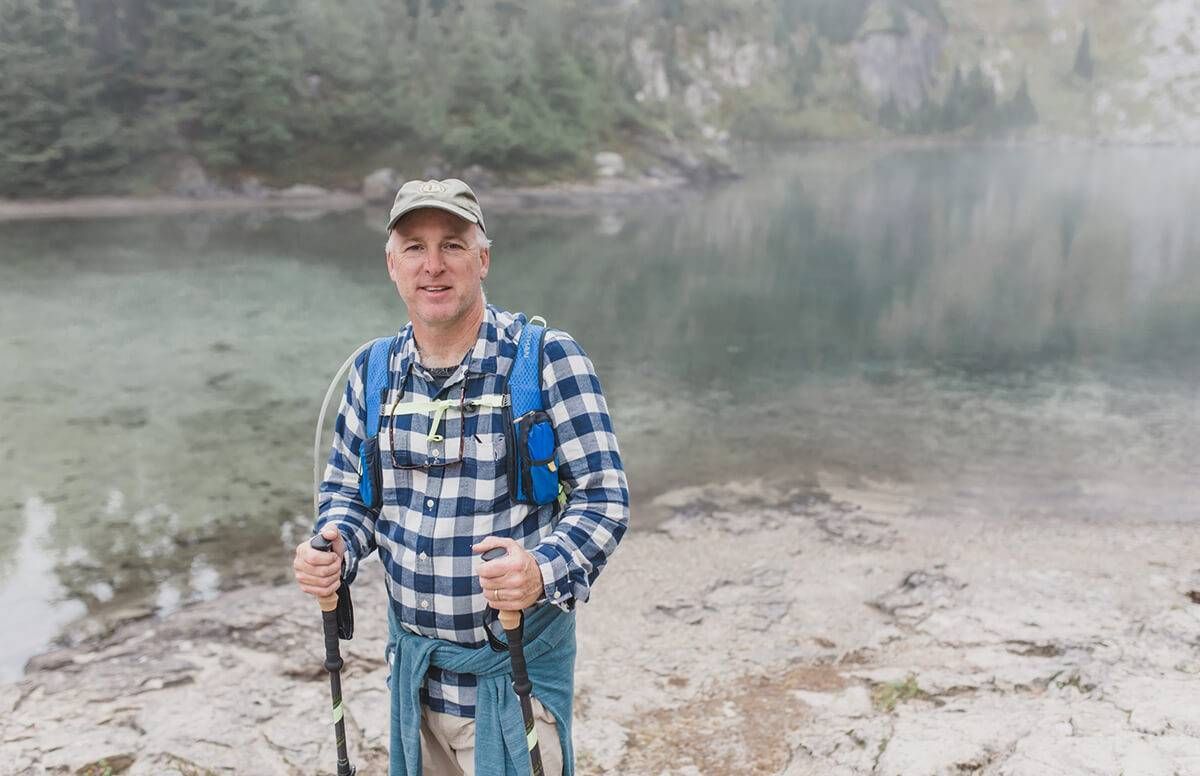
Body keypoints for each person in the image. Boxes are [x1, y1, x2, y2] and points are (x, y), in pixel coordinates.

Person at [292, 178, 629, 776]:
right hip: (413, 686)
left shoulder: (546, 358)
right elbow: (349, 496)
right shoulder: (371, 372)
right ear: (392, 264)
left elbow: (604, 500)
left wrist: (539, 570)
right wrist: (336, 547)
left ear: (484, 258)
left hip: (513, 683)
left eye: (452, 243)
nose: (434, 265)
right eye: (415, 247)